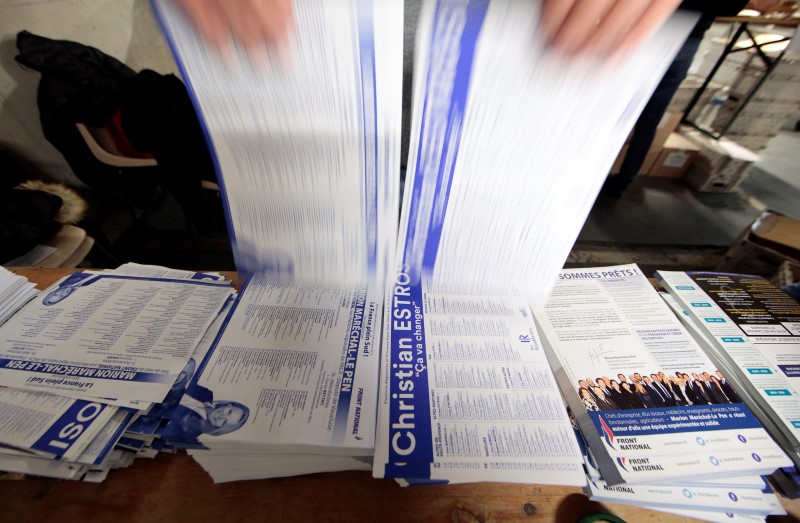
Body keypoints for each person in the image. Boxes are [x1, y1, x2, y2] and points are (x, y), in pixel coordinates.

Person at [600, 0, 751, 198]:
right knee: (649, 119)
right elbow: (729, 7)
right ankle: (623, 180)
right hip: (687, 39)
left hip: (655, 30)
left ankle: (593, 172)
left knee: (615, 110)